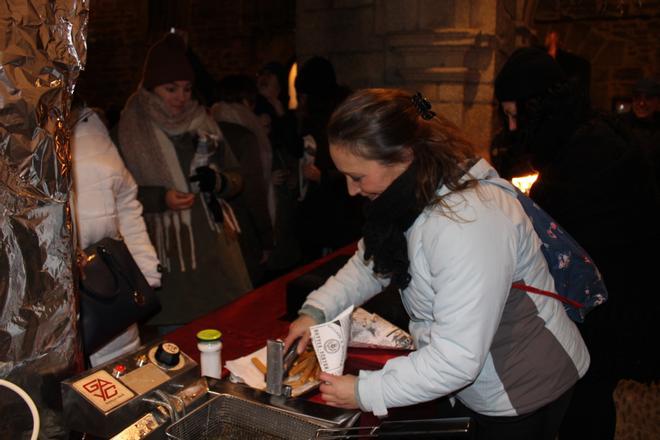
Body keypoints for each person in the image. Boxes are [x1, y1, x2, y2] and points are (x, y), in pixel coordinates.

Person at [283, 88, 589, 440]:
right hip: (475, 378)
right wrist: (317, 311)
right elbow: (371, 264)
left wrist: (364, 392)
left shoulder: (469, 221)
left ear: (404, 156)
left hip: (522, 389)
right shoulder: (405, 197)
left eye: (358, 177)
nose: (352, 191)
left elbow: (457, 358)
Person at [494, 47, 660, 439]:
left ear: (537, 106)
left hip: (605, 307)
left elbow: (575, 241)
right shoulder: (582, 135)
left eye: (515, 115)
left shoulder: (588, 153)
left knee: (586, 399)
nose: (513, 128)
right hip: (605, 300)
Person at [116, 32, 252, 332]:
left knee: (228, 334)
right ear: (151, 88)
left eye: (187, 89)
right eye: (171, 89)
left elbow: (236, 175)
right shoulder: (130, 129)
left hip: (217, 255)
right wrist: (160, 198)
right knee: (179, 343)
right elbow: (119, 195)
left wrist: (218, 181)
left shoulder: (204, 123)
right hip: (170, 261)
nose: (181, 97)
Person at [70, 102, 161, 366]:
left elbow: (125, 201)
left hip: (106, 283)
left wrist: (144, 271)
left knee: (116, 384)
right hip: (50, 301)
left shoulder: (90, 130)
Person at [294, 56, 363, 262]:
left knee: (339, 256)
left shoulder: (342, 117)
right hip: (321, 200)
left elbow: (356, 163)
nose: (301, 100)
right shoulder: (314, 116)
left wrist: (323, 176)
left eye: (305, 94)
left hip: (340, 202)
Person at [211, 74, 275, 286]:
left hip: (213, 227)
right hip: (242, 228)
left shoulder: (205, 128)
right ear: (247, 102)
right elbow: (253, 191)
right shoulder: (245, 136)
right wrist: (266, 239)